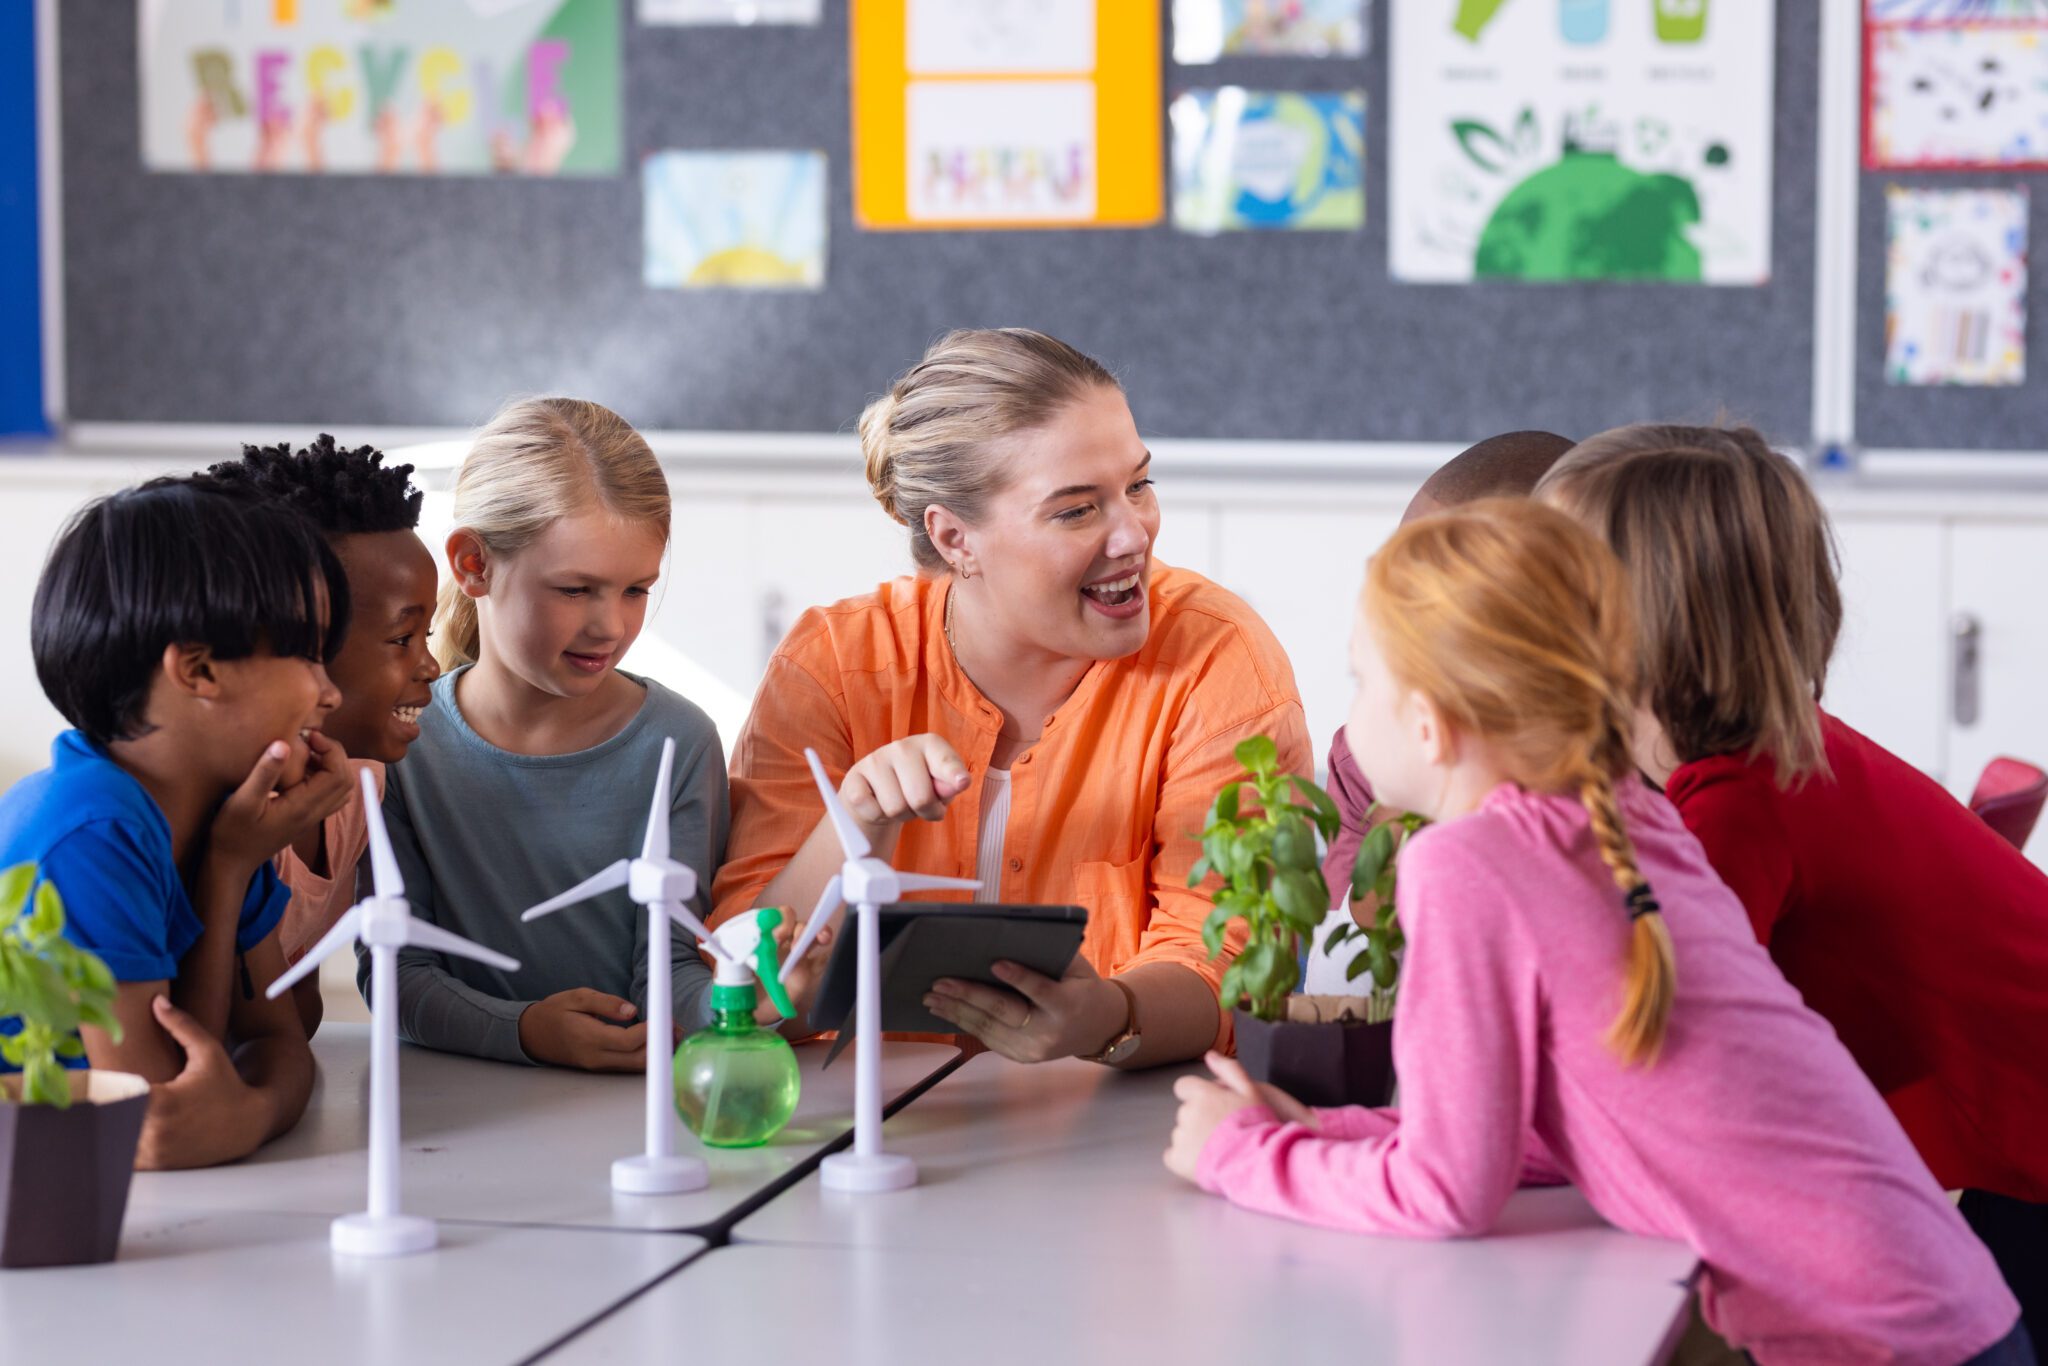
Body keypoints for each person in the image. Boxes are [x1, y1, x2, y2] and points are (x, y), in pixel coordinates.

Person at [1167, 498, 2027, 1365]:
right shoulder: (1627, 824)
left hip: (1882, 1345)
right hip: (1954, 1312)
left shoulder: (1467, 865)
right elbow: (1532, 1140)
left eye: (1360, 680)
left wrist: (1239, 1156)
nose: (1351, 714)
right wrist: (1320, 1134)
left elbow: (1445, 1195)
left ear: (1430, 723)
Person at [711, 328, 1310, 1067]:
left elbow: (1236, 964)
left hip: (1112, 1138)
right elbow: (735, 984)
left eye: (1139, 486)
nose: (1134, 535)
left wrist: (1111, 1014)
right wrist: (857, 822)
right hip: (860, 1130)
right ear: (956, 538)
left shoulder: (1217, 658)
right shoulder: (834, 664)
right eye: (1077, 511)